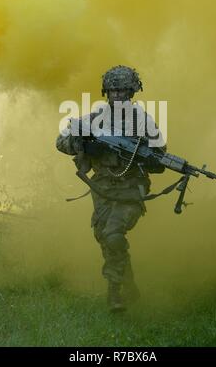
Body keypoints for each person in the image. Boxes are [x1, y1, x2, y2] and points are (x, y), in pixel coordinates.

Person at [56, 65, 166, 312]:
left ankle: (114, 293)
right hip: (102, 188)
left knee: (114, 234)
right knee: (104, 237)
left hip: (130, 188)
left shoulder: (143, 122)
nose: (117, 96)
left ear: (132, 93)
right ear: (106, 92)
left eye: (123, 91)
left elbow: (161, 158)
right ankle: (130, 285)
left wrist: (145, 155)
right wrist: (85, 145)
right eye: (113, 91)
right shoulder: (94, 119)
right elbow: (61, 141)